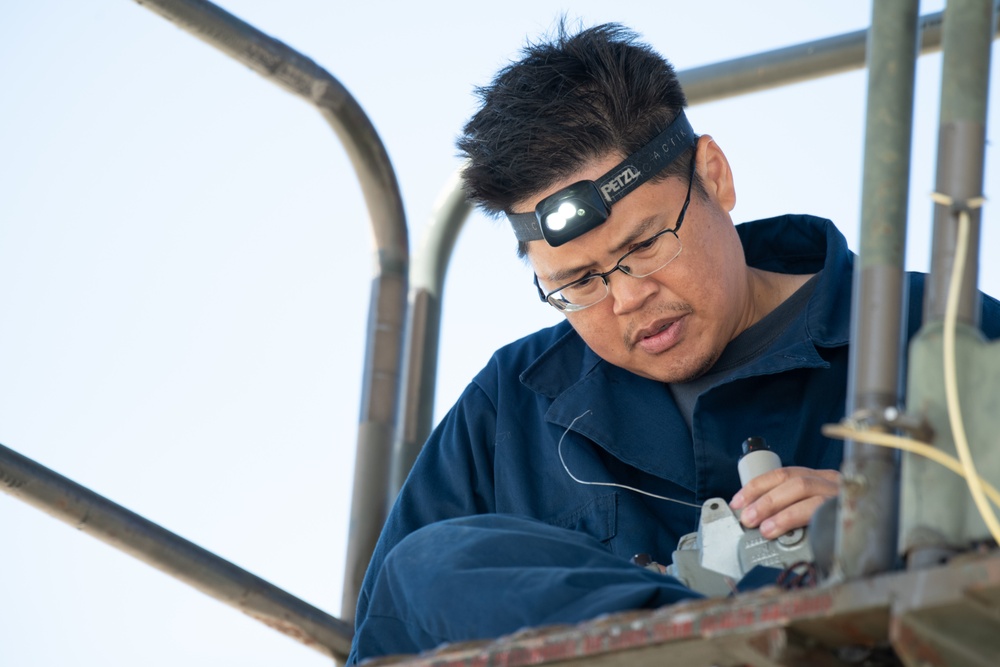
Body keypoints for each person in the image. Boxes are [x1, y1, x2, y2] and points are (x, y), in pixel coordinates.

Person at [347, 22, 1000, 663]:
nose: (627, 298)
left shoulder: (940, 333)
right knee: (432, 561)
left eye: (645, 245)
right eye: (577, 282)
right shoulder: (508, 412)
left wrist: (902, 520)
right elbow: (388, 635)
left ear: (713, 176)